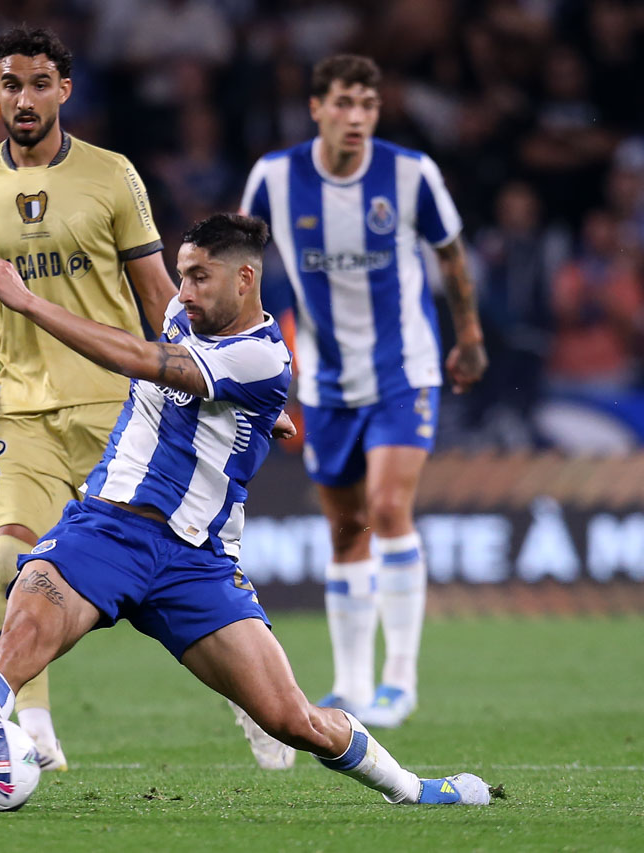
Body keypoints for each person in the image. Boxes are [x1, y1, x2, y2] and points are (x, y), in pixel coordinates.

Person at [0, 212, 495, 808]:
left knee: (292, 719)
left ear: (245, 279)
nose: (184, 291)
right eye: (181, 275)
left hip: (196, 562)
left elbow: (143, 361)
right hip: (105, 530)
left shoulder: (263, 360)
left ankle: (417, 791)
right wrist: (260, 415)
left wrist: (25, 301)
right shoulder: (186, 317)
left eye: (199, 278)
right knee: (18, 642)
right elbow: (178, 358)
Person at [0, 25, 180, 780]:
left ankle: (249, 692)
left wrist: (215, 373)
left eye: (41, 83)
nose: (26, 98)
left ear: (64, 89)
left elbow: (159, 294)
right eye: (11, 84)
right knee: (11, 552)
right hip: (25, 409)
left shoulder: (112, 176)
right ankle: (32, 723)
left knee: (170, 570)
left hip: (118, 407)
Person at [239, 55, 488, 727]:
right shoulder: (276, 177)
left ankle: (398, 679)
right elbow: (240, 261)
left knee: (385, 505)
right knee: (346, 526)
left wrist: (467, 335)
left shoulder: (410, 175)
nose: (357, 118)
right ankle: (350, 682)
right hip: (322, 378)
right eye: (345, 103)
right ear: (316, 107)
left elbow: (452, 255)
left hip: (404, 367)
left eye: (369, 106)